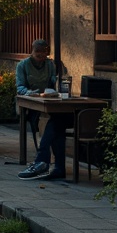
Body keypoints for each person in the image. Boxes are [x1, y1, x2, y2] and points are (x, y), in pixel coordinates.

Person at [16, 38, 66, 179]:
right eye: (37, 51)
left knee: (57, 122)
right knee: (56, 125)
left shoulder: (50, 65)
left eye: (43, 52)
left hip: (49, 101)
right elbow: (20, 87)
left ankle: (43, 163)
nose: (40, 55)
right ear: (31, 51)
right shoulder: (23, 65)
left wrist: (58, 83)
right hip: (31, 101)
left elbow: (54, 82)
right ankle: (54, 165)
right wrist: (29, 93)